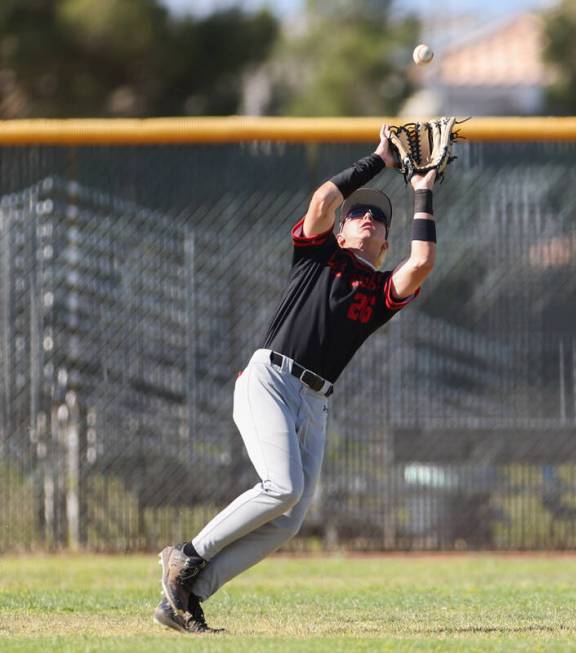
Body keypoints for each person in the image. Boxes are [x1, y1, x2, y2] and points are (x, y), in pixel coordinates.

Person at [153, 125, 439, 634]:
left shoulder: (378, 293)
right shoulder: (318, 255)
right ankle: (186, 555)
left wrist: (422, 190)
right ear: (343, 231)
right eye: (359, 214)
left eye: (378, 219)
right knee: (281, 488)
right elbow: (324, 198)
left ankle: (187, 596)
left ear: (383, 243)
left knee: (288, 519)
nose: (368, 218)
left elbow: (420, 262)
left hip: (315, 403)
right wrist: (379, 160)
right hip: (269, 380)